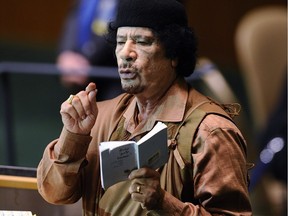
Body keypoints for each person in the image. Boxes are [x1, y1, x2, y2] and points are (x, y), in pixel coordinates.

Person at [37, 0, 252, 215]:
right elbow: (55, 194)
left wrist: (164, 203)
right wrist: (73, 136)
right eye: (120, 42)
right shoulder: (101, 116)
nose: (125, 53)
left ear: (174, 54)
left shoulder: (211, 131)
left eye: (142, 42)